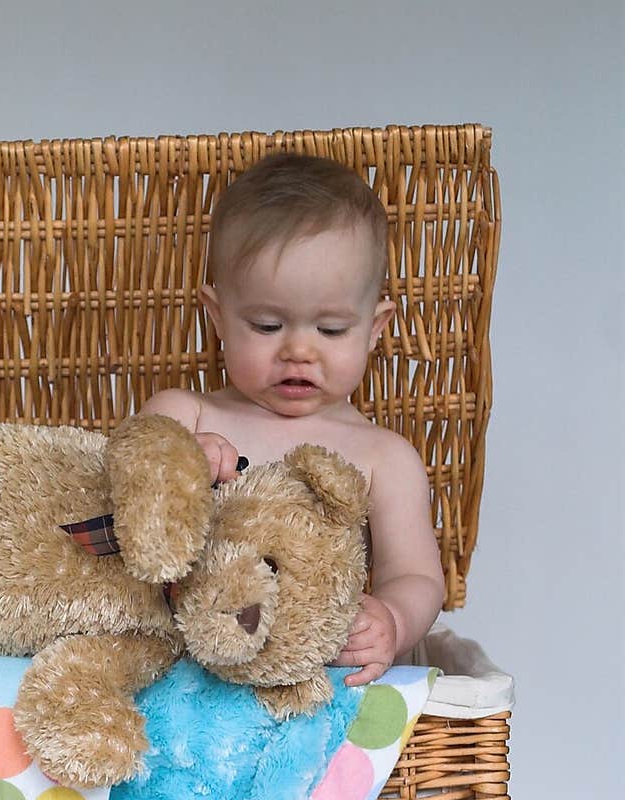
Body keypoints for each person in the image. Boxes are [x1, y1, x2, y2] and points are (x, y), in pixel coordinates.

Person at [138, 152, 445, 685]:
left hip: (310, 679)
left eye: (330, 330)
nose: (299, 351)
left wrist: (392, 620)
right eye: (266, 324)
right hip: (182, 670)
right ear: (218, 316)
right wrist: (176, 466)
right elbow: (120, 487)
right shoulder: (184, 414)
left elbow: (416, 575)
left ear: (375, 328)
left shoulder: (383, 456)